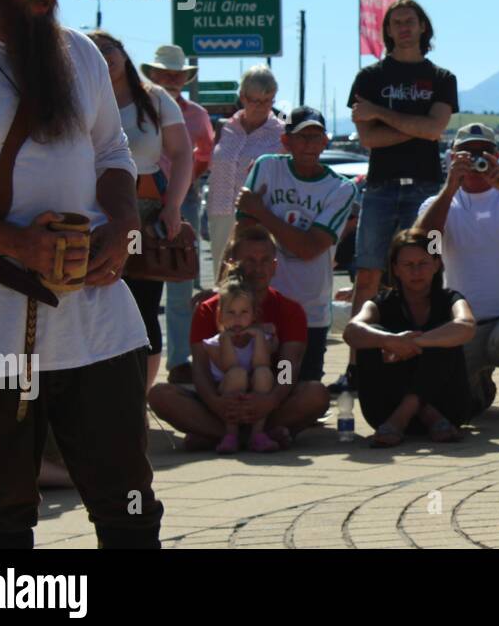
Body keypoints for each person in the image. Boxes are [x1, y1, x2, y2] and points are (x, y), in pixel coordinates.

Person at [0, 0, 161, 548]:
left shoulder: (81, 55)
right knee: (2, 506)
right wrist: (19, 244)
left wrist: (119, 226)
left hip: (99, 316)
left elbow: (113, 155)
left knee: (129, 500)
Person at [147, 223, 332, 447]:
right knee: (159, 395)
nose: (258, 269)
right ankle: (246, 435)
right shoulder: (208, 309)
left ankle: (223, 435)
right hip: (222, 400)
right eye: (250, 261)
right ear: (232, 265)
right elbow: (201, 370)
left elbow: (287, 367)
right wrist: (216, 403)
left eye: (265, 261)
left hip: (268, 401)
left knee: (316, 394)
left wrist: (270, 400)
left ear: (274, 267)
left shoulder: (290, 310)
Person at [415, 123, 499, 418]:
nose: (475, 161)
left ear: (498, 156)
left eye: (483, 153)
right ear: (451, 158)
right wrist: (450, 188)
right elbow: (422, 248)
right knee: (465, 405)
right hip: (462, 324)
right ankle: (478, 388)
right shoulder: (437, 203)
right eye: (465, 154)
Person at [90, 30, 193, 390]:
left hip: (146, 213)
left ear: (123, 51)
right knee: (96, 302)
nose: (103, 55)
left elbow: (183, 154)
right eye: (94, 50)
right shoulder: (81, 97)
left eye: (109, 47)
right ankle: (100, 394)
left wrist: (174, 207)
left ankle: (141, 398)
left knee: (144, 306)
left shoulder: (156, 98)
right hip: (92, 212)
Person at [347, 0, 459, 314]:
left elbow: (435, 129)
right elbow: (369, 138)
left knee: (424, 272)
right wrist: (420, 126)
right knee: (368, 273)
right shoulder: (369, 78)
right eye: (397, 23)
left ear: (423, 26)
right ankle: (361, 358)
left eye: (410, 21)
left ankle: (424, 350)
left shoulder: (442, 78)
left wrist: (382, 114)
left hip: (426, 190)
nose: (404, 28)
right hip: (380, 187)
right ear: (388, 31)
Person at [235, 107, 357, 382]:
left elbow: (309, 248)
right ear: (286, 141)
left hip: (309, 308)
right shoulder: (267, 166)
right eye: (302, 137)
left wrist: (263, 213)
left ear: (326, 141)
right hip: (260, 300)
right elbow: (244, 229)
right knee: (257, 379)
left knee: (304, 390)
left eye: (316, 137)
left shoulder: (342, 188)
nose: (310, 145)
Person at [343, 228, 476, 446]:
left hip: (448, 411)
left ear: (436, 265)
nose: (416, 271)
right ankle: (421, 412)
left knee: (445, 333)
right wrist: (388, 341)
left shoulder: (449, 298)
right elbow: (351, 331)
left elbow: (466, 326)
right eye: (408, 265)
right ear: (395, 269)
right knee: (371, 333)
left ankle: (405, 415)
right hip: (384, 412)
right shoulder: (382, 302)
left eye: (423, 263)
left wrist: (414, 342)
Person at [143, 44, 215, 384]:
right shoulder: (139, 107)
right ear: (153, 75)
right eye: (165, 73)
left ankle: (179, 361)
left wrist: (187, 180)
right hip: (141, 202)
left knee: (180, 283)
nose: (171, 79)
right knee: (139, 280)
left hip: (181, 201)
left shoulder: (197, 114)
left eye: (177, 74)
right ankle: (138, 357)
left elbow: (205, 153)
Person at [206, 65, 284, 271]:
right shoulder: (225, 127)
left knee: (257, 275)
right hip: (220, 211)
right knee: (222, 278)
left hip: (259, 215)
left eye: (267, 101)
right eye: (254, 100)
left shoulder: (281, 133)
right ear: (242, 96)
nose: (260, 106)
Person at [202, 268, 279, 453]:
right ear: (220, 315)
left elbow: (262, 363)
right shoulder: (213, 344)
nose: (237, 319)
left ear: (254, 315)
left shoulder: (264, 337)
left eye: (244, 312)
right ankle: (231, 434)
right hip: (228, 395)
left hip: (255, 396)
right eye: (231, 312)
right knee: (237, 374)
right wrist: (226, 339)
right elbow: (230, 366)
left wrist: (259, 337)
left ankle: (257, 434)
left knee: (263, 373)